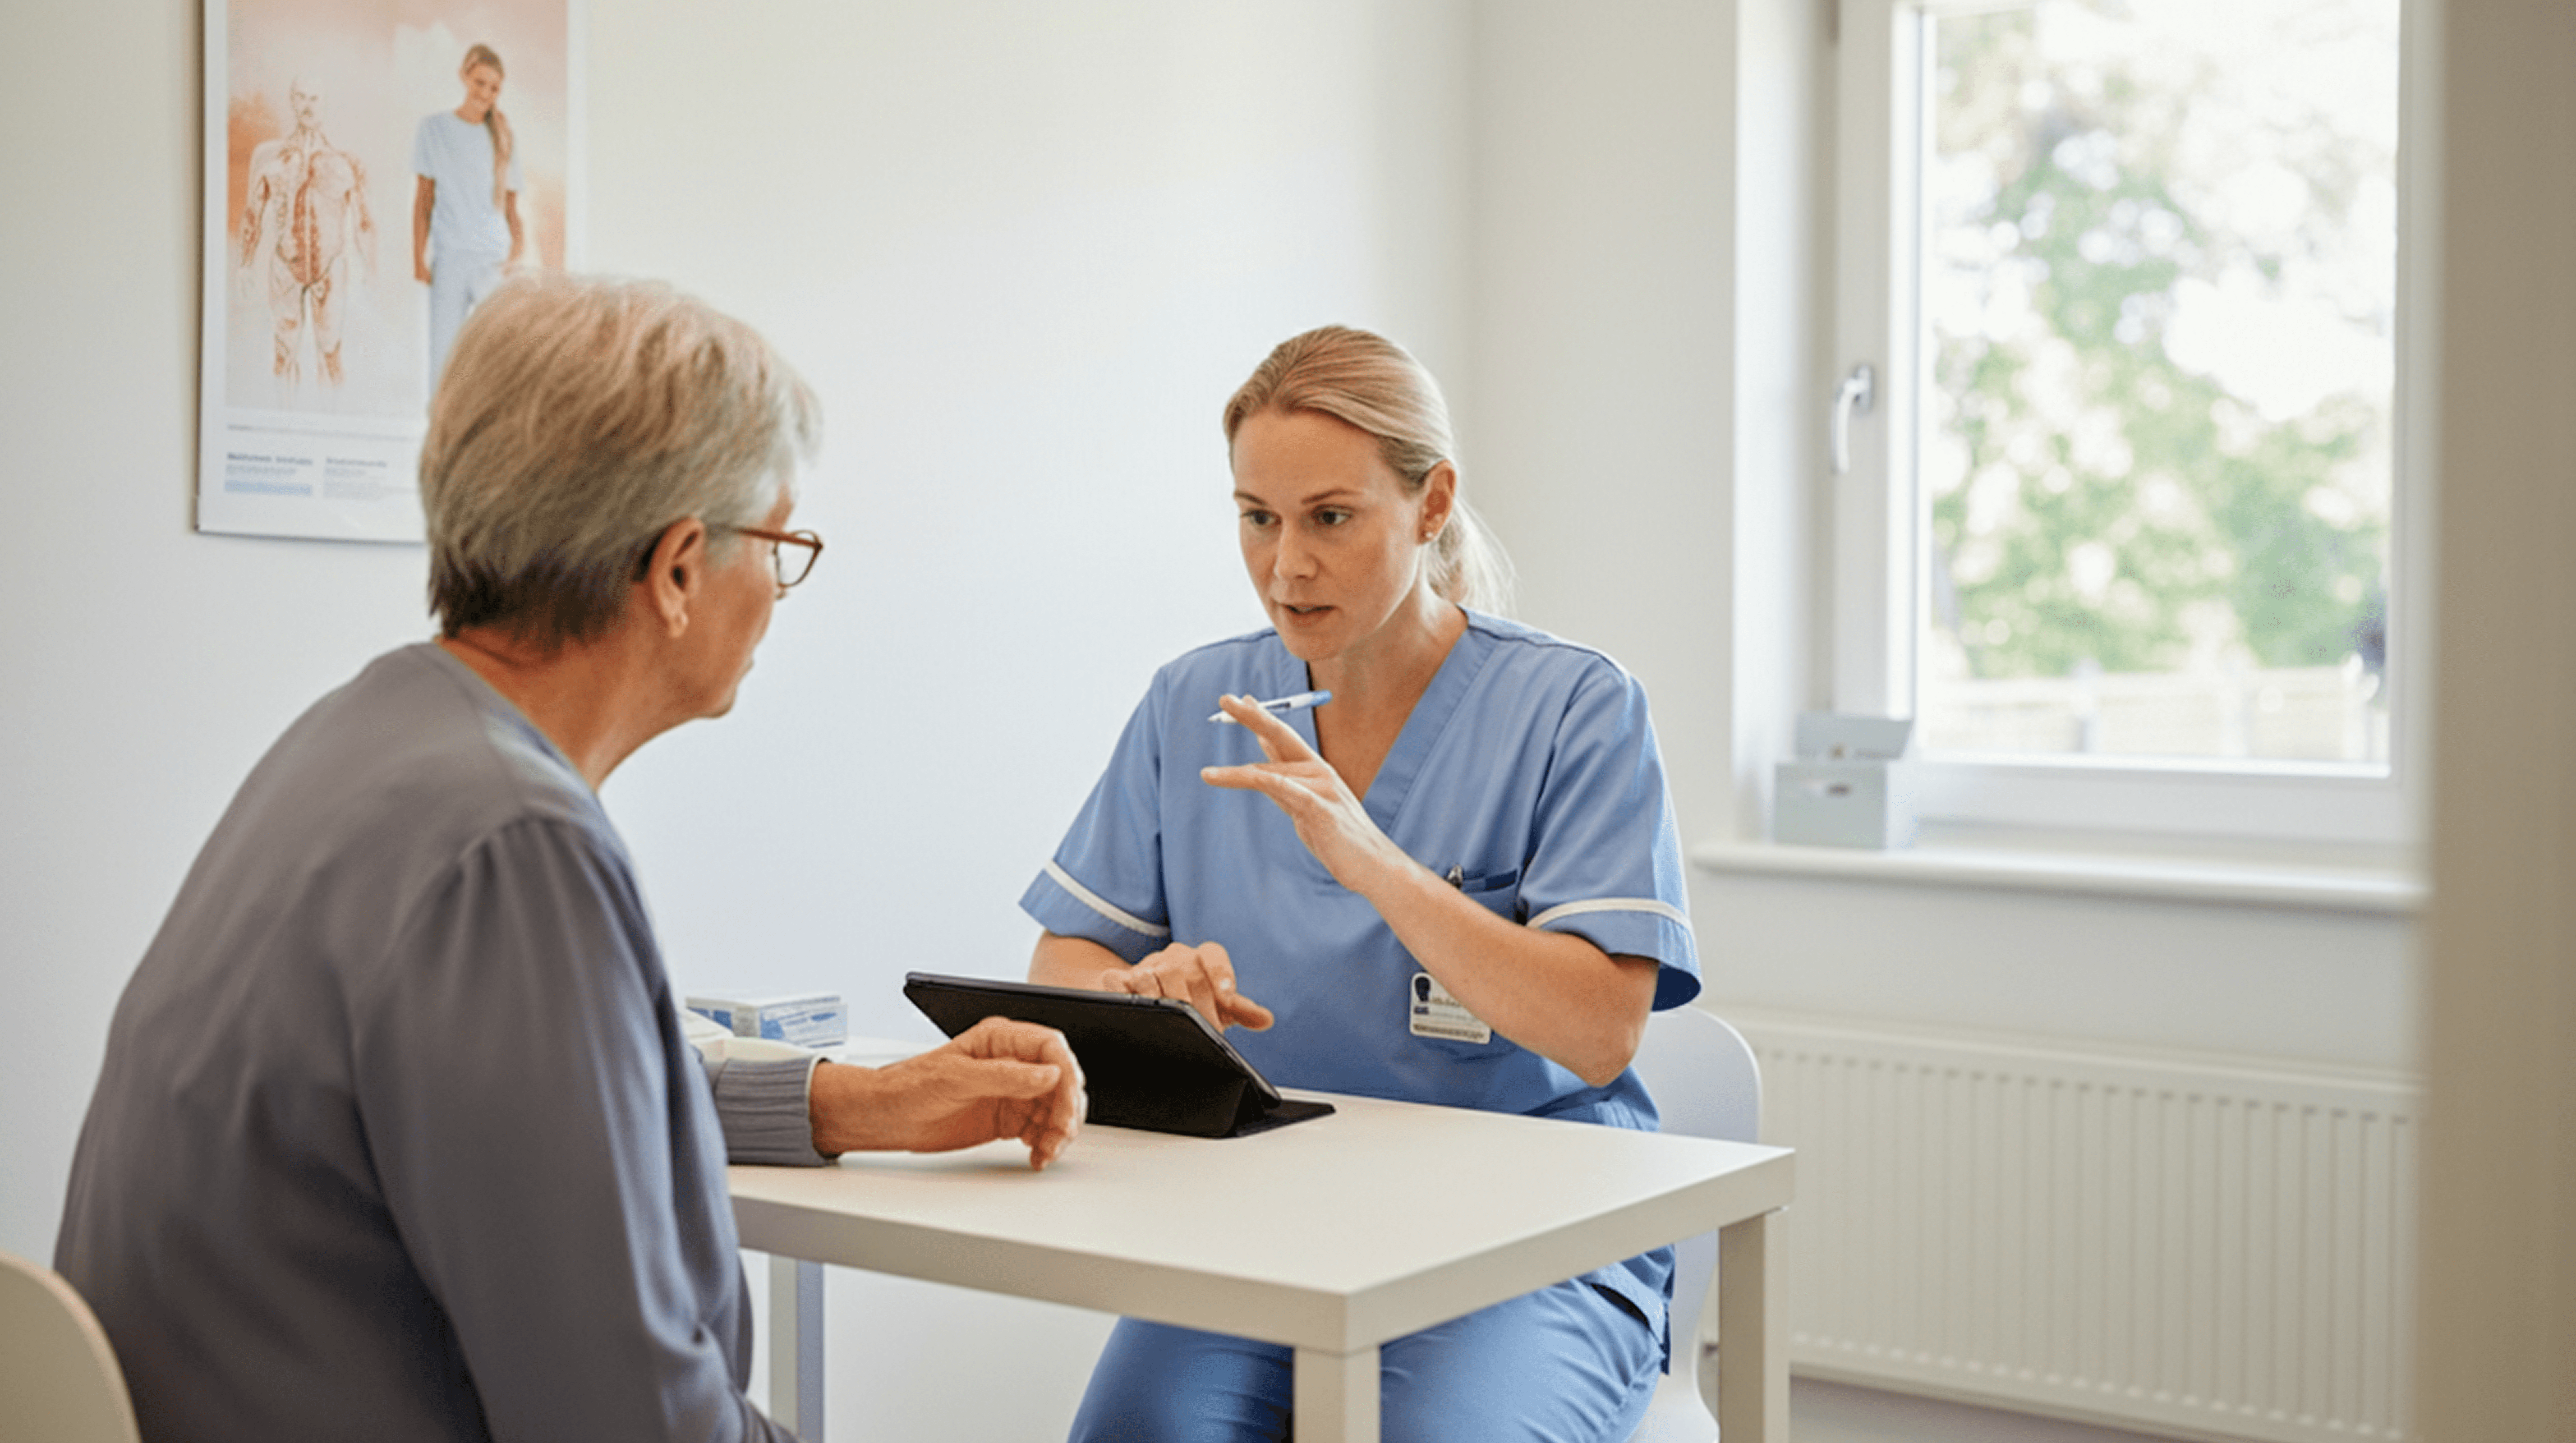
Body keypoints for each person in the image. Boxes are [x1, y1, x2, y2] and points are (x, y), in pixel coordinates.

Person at [55, 273, 1086, 1443]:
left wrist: (852, 1101)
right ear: (680, 569)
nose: (781, 589)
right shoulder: (513, 848)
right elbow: (630, 1419)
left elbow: (537, 1119)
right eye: (782, 544)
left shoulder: (369, 741)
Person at [1022, 324, 1702, 1442]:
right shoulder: (1195, 698)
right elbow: (1064, 963)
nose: (1286, 566)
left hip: (1524, 1240)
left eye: (1330, 518)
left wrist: (1378, 864)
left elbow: (1599, 1034)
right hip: (1265, 1224)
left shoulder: (1576, 707)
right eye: (1257, 518)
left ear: (1431, 504)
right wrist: (1144, 992)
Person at [238, 75, 376, 396]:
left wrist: (370, 271)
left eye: (314, 98)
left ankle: (332, 427)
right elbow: (254, 211)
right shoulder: (272, 158)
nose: (307, 105)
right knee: (283, 354)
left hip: (330, 268)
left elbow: (364, 221)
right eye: (301, 97)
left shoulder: (345, 162)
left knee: (331, 354)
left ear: (325, 103)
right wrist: (245, 263)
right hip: (285, 266)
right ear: (292, 101)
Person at [413, 43, 525, 391]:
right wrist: (418, 256)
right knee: (443, 359)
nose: (486, 93)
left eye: (494, 88)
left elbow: (512, 211)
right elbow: (423, 201)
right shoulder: (434, 129)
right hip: (450, 259)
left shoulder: (504, 138)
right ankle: (441, 432)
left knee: (505, 351)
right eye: (480, 82)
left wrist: (516, 256)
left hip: (493, 260)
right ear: (465, 76)